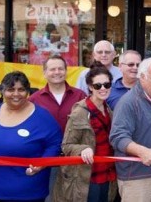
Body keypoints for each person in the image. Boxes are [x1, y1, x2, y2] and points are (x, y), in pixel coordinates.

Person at [0, 71, 62, 201]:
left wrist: (43, 163)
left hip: (27, 194)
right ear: (2, 91)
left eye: (21, 89)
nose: (16, 94)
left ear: (28, 92)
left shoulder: (43, 117)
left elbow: (55, 144)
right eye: (10, 89)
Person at [110, 57, 151, 202]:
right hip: (136, 177)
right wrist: (141, 151)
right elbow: (117, 137)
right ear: (142, 77)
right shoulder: (128, 102)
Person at [53, 63, 117, 202]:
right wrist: (83, 149)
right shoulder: (80, 112)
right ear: (90, 87)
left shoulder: (108, 110)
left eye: (107, 84)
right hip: (87, 178)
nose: (103, 89)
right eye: (97, 85)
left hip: (108, 175)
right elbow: (66, 145)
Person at [28, 55, 86, 201]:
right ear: (45, 73)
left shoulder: (80, 96)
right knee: (48, 197)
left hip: (74, 158)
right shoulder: (34, 99)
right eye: (52, 69)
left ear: (66, 71)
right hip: (46, 159)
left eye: (60, 68)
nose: (57, 72)